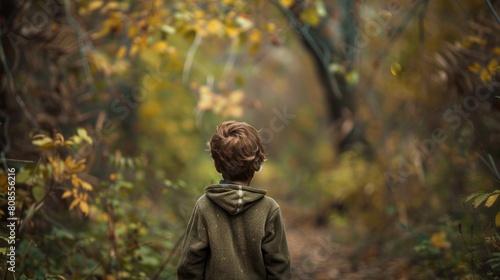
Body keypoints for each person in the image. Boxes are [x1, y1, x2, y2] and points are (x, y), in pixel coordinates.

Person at [177, 120, 292, 280]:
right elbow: (280, 268)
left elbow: (190, 266)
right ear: (257, 164)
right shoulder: (269, 209)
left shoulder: (204, 206)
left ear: (217, 166)